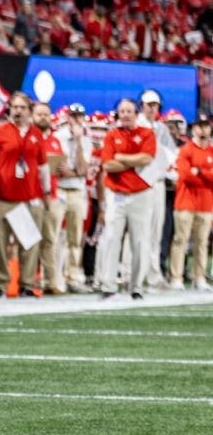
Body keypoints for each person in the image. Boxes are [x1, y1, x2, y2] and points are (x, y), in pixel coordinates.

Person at [0, 92, 50, 297]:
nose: (18, 111)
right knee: (0, 245)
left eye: (22, 107)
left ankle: (27, 284)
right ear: (9, 108)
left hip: (29, 197)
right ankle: (1, 283)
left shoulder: (36, 134)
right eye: (15, 107)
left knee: (29, 243)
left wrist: (46, 192)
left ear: (29, 111)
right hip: (2, 197)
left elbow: (43, 166)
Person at [97, 98, 155, 300]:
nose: (126, 115)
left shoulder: (146, 133)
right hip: (117, 194)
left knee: (140, 242)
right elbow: (107, 165)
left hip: (140, 194)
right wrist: (133, 162)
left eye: (129, 111)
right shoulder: (112, 135)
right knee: (111, 239)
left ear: (136, 113)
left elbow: (147, 159)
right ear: (118, 114)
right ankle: (108, 285)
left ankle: (137, 286)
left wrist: (121, 158)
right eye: (122, 111)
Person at [167, 114, 213, 290]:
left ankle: (199, 277)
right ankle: (176, 277)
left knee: (202, 242)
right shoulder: (186, 150)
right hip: (185, 202)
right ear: (194, 129)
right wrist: (205, 174)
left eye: (205, 126)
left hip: (206, 204)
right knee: (181, 240)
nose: (202, 130)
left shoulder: (211, 151)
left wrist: (199, 171)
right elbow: (185, 176)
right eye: (199, 126)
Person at [137, 89, 177, 289]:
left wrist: (172, 174)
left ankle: (153, 273)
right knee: (137, 230)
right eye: (149, 105)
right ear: (142, 106)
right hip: (139, 183)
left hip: (158, 183)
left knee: (155, 229)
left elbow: (172, 156)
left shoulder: (161, 129)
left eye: (155, 105)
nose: (152, 109)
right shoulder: (136, 126)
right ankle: (131, 272)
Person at [54, 104, 92, 292]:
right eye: (74, 116)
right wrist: (75, 171)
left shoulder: (85, 139)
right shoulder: (58, 136)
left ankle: (72, 276)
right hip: (59, 189)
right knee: (54, 236)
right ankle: (53, 277)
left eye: (80, 116)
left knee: (75, 237)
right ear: (68, 117)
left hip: (77, 190)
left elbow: (84, 170)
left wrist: (77, 141)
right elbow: (57, 168)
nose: (77, 119)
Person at [32, 102, 66, 294]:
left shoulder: (55, 140)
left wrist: (63, 168)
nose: (43, 118)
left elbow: (58, 169)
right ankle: (28, 280)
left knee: (50, 240)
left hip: (51, 195)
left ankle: (51, 281)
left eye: (46, 114)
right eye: (39, 114)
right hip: (30, 196)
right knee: (29, 242)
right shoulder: (29, 138)